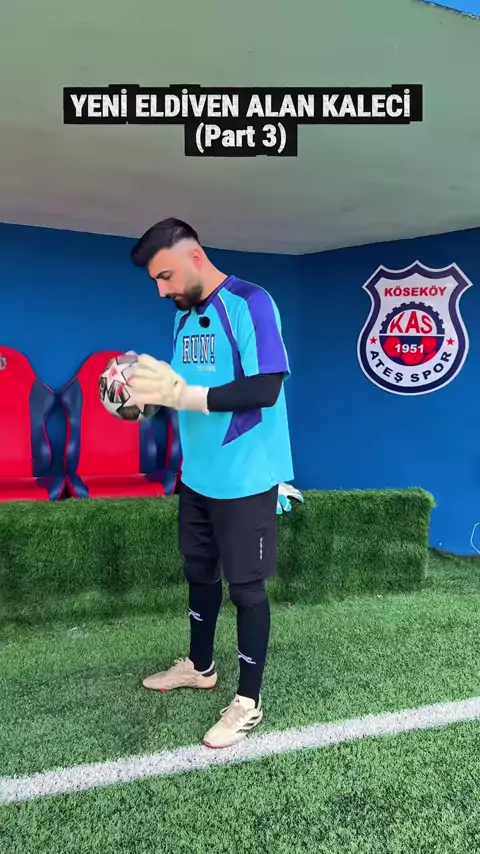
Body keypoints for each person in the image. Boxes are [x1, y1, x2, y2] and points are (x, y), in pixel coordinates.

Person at [128, 217, 293, 749]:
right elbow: (187, 389)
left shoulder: (250, 303)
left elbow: (265, 388)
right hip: (198, 475)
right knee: (199, 573)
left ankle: (248, 702)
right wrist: (150, 401)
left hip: (246, 477)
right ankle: (200, 667)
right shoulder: (184, 316)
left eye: (166, 276)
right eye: (156, 281)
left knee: (246, 589)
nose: (162, 290)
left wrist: (183, 396)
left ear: (194, 257)